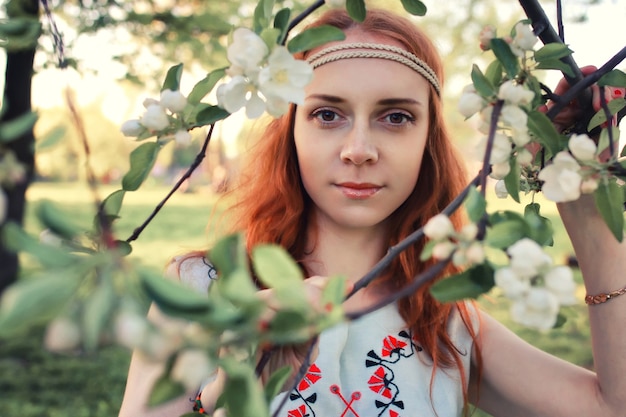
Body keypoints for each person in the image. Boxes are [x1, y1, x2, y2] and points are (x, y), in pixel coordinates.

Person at [118, 7, 626, 417]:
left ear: (428, 138)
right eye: (328, 114)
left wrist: (586, 208)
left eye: (395, 116)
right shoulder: (200, 287)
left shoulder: (444, 321)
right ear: (291, 130)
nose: (358, 149)